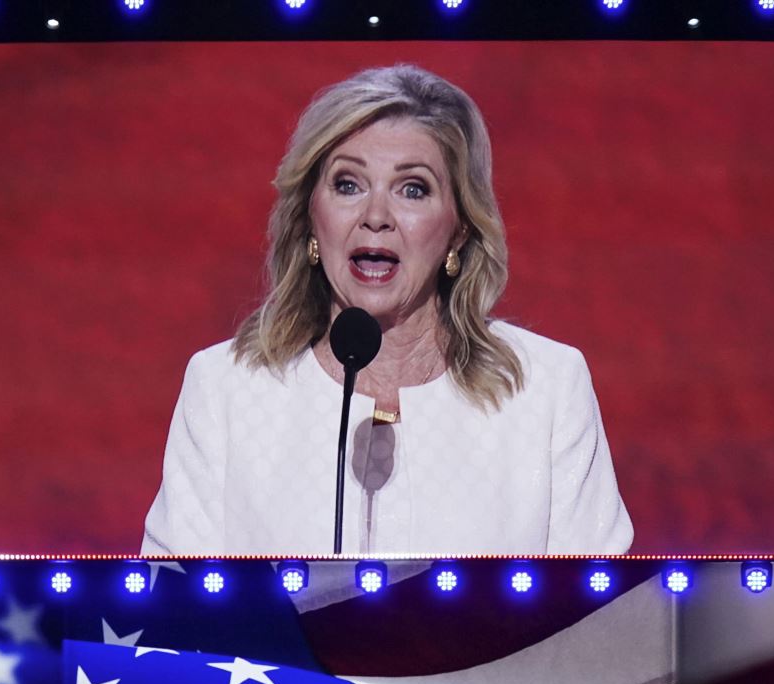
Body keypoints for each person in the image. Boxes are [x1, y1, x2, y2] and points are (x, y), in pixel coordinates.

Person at [143, 64, 632, 557]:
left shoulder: (544, 389)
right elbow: (172, 616)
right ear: (311, 219)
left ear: (459, 229)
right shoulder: (227, 389)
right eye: (348, 185)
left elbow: (604, 617)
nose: (375, 218)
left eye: (413, 189)